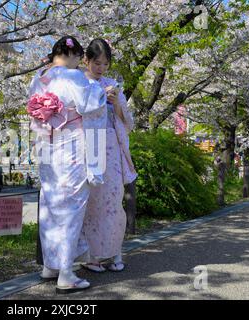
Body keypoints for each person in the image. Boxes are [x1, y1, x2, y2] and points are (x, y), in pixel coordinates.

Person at [28, 35, 107, 293]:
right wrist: (98, 88)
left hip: (47, 149)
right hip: (71, 147)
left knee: (50, 205)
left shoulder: (39, 78)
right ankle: (66, 273)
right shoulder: (73, 77)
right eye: (78, 58)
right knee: (72, 208)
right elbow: (89, 104)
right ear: (74, 55)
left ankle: (50, 266)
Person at [81, 39, 137, 273]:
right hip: (88, 147)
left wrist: (116, 104)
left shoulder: (113, 85)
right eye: (97, 63)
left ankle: (115, 252)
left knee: (114, 199)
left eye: (105, 64)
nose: (101, 69)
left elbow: (128, 123)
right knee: (91, 202)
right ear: (86, 60)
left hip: (111, 147)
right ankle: (91, 255)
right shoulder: (79, 83)